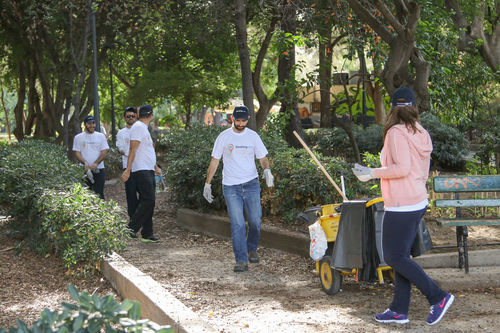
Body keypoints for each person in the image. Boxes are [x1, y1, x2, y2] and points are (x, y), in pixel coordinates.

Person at [352, 87, 454, 326]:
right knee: (401, 257)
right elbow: (419, 169)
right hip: (416, 200)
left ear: (392, 108)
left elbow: (402, 168)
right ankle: (399, 310)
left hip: (401, 204)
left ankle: (438, 297)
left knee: (394, 256)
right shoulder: (420, 130)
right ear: (413, 106)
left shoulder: (396, 132)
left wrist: (371, 173)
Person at [203, 105, 274, 272]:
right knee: (238, 224)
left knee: (255, 221)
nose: (241, 124)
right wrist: (207, 183)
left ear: (248, 119)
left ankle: (251, 248)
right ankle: (241, 260)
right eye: (238, 120)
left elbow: (262, 157)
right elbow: (215, 161)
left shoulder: (253, 136)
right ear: (232, 119)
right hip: (231, 186)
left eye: (244, 120)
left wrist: (267, 170)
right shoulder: (224, 137)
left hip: (251, 183)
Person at [121, 105, 162, 243]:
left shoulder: (143, 128)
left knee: (149, 201)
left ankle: (147, 233)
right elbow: (133, 149)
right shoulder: (138, 127)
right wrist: (128, 170)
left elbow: (146, 151)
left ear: (139, 114)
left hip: (148, 169)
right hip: (141, 170)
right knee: (148, 199)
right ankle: (131, 229)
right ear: (151, 115)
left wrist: (155, 167)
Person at [73, 115, 109, 199]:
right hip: (84, 170)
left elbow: (104, 152)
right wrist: (85, 163)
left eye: (93, 123)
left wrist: (96, 163)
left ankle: (101, 211)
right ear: (85, 124)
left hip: (99, 169)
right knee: (85, 195)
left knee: (99, 194)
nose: (92, 125)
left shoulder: (101, 136)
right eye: (89, 124)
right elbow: (77, 153)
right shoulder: (78, 137)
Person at [116, 106, 139, 219]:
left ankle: (141, 216)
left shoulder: (141, 130)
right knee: (131, 195)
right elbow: (121, 149)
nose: (131, 118)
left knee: (145, 195)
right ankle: (133, 219)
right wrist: (133, 152)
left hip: (141, 167)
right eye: (128, 116)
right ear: (124, 118)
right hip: (128, 169)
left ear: (136, 117)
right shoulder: (121, 133)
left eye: (133, 116)